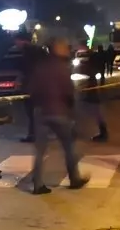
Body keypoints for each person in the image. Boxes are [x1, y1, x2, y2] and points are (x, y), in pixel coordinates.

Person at [26, 37, 88, 195]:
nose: (68, 50)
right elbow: (69, 92)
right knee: (68, 147)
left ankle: (38, 184)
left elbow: (31, 89)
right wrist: (73, 112)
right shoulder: (62, 67)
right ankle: (74, 179)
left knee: (40, 150)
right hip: (59, 111)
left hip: (40, 111)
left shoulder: (39, 66)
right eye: (65, 47)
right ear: (58, 50)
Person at [13, 31, 45, 142]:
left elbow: (27, 68)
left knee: (32, 111)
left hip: (32, 85)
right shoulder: (39, 51)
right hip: (39, 84)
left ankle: (34, 134)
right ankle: (35, 133)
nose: (16, 43)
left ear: (22, 40)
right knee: (36, 111)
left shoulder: (28, 52)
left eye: (17, 41)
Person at [79, 47, 109, 141]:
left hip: (91, 95)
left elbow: (89, 80)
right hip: (89, 94)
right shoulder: (91, 67)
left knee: (96, 113)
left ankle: (103, 133)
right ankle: (103, 133)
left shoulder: (90, 68)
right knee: (94, 113)